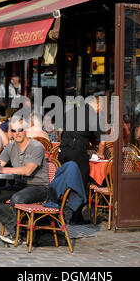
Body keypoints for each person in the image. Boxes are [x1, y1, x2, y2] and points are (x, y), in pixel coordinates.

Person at [0, 118, 49, 244]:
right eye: (14, 130)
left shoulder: (37, 146)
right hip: (20, 186)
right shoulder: (11, 146)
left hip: (39, 187)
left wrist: (4, 169)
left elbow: (28, 170)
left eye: (20, 130)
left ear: (26, 131)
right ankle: (17, 231)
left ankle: (19, 233)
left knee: (17, 199)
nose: (17, 133)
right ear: (11, 132)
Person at [58, 96, 106, 224]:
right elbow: (102, 141)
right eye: (101, 108)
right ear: (97, 106)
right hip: (77, 153)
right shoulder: (94, 117)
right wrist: (100, 153)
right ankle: (76, 216)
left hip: (63, 151)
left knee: (63, 181)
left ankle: (56, 212)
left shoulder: (71, 111)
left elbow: (61, 132)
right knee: (81, 183)